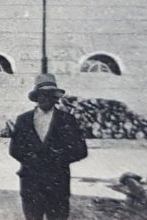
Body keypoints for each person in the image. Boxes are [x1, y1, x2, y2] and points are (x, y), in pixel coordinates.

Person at [9, 73, 88, 220]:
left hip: (57, 183)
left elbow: (81, 150)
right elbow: (14, 149)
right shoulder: (23, 120)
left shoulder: (67, 120)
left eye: (49, 94)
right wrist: (31, 158)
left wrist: (57, 157)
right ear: (36, 97)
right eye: (41, 94)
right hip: (31, 183)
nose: (45, 98)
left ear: (55, 97)